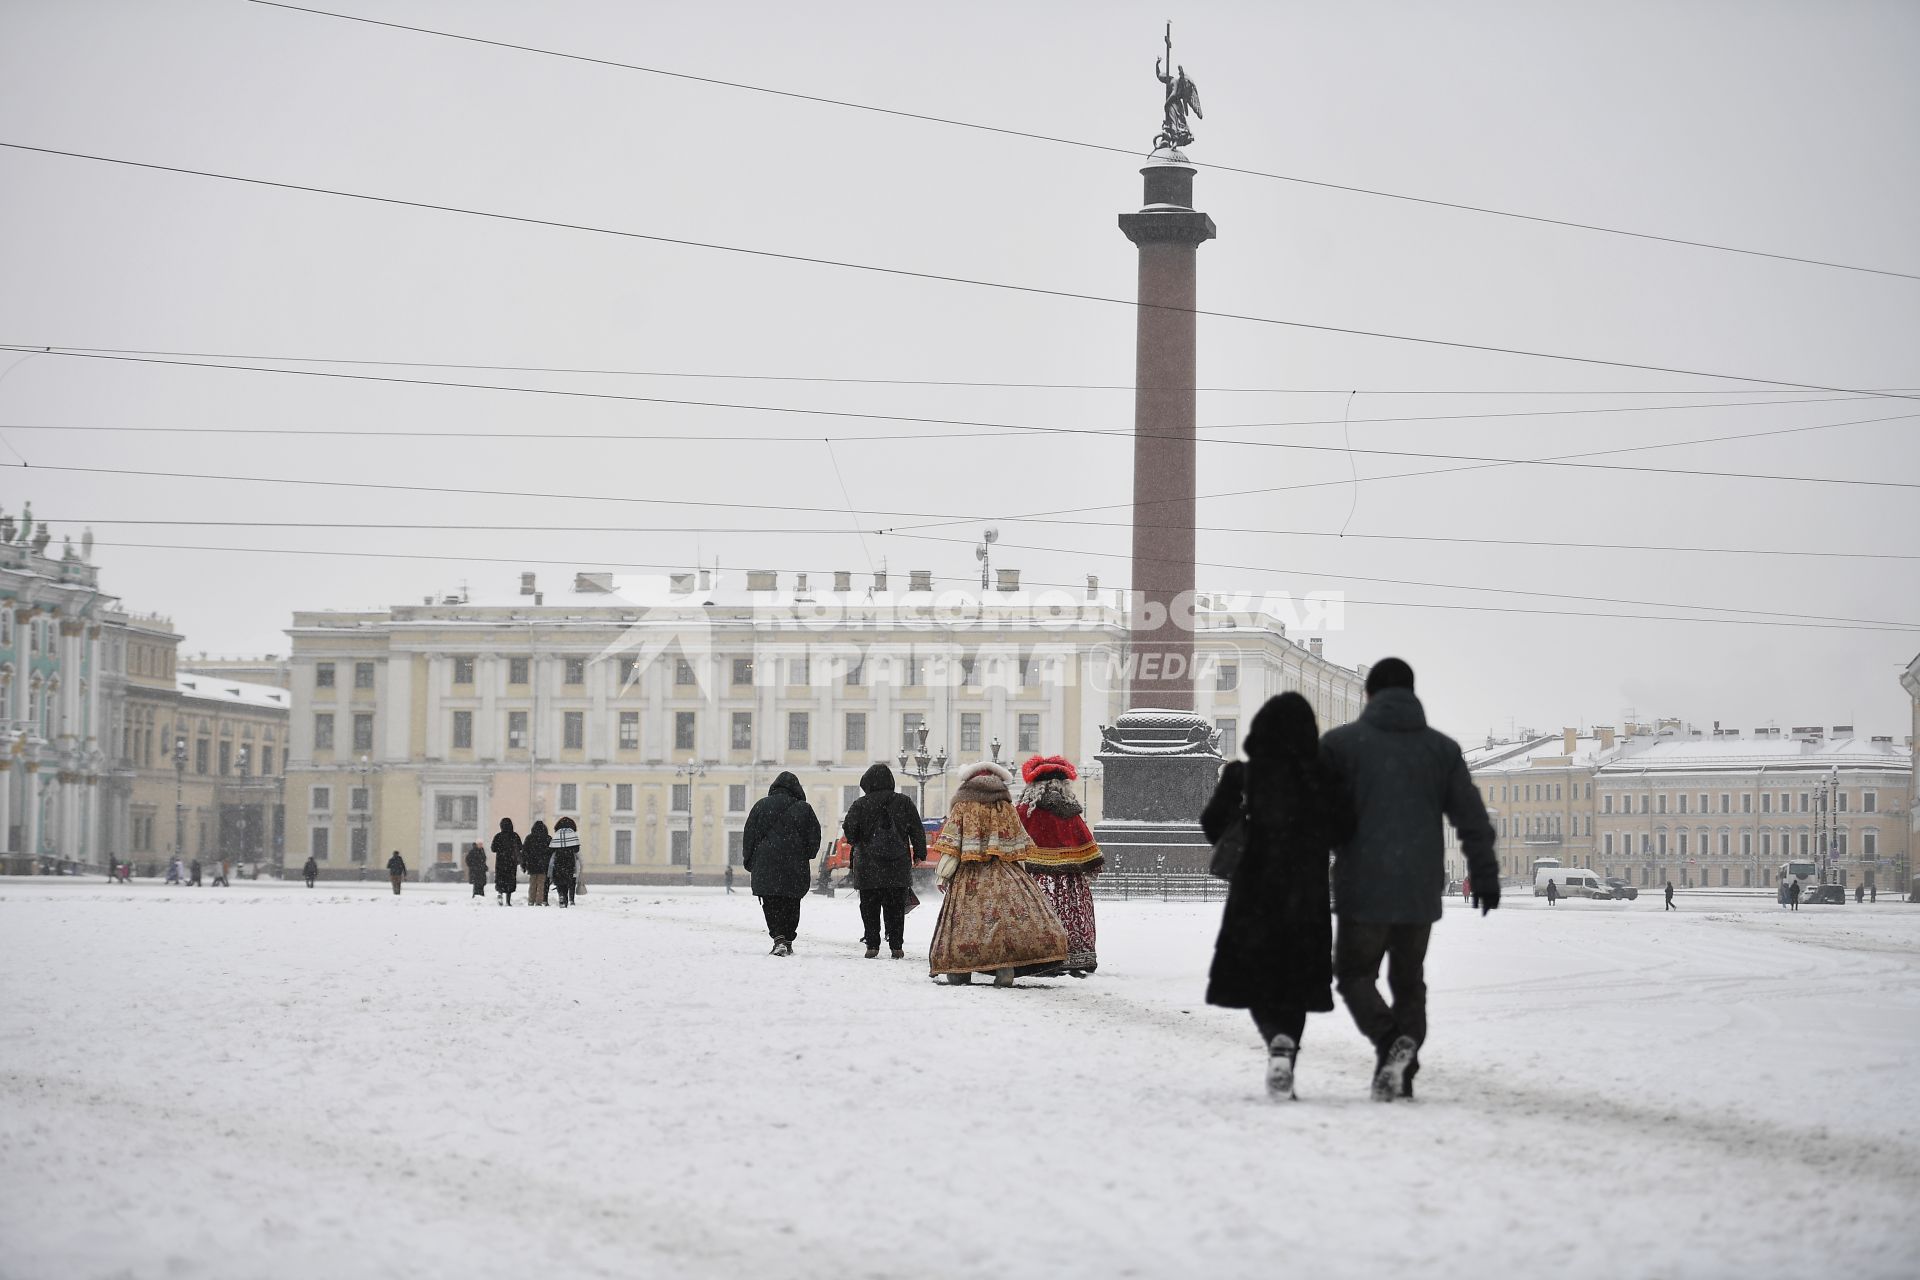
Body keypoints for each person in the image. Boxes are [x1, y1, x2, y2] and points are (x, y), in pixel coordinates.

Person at [1320, 657, 1497, 1103]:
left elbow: (1314, 817)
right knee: (1408, 981)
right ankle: (1402, 1066)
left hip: (1362, 885)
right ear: (1412, 694)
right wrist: (1483, 872)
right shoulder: (1441, 749)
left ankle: (1389, 1042)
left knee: (1354, 974)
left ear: (1369, 695)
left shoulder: (1341, 745)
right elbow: (1471, 818)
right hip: (1418, 887)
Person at [1201, 693, 1347, 1100]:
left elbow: (1212, 824)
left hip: (1254, 895)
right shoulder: (1322, 777)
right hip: (1307, 896)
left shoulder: (1242, 777)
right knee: (1296, 983)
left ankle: (1275, 1041)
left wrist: (1246, 828)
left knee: (1257, 979)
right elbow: (1344, 829)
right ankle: (1287, 1047)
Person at [927, 761, 1069, 987]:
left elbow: (953, 843)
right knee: (1005, 922)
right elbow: (1017, 844)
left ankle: (960, 969)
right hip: (1004, 871)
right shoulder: (1005, 806)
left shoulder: (963, 806)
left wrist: (943, 874)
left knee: (965, 922)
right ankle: (1005, 967)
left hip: (969, 873)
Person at [1015, 755, 1104, 977]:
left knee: (1037, 914)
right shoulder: (1070, 813)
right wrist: (1091, 865)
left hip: (1034, 878)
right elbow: (1086, 842)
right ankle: (1075, 955)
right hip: (1069, 879)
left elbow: (1011, 841)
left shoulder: (1025, 812)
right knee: (1072, 913)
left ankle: (1038, 957)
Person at [842, 763, 927, 960]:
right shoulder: (904, 802)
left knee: (869, 905)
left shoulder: (860, 804)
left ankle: (872, 945)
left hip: (868, 865)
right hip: (897, 864)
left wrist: (859, 837)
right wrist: (919, 853)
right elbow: (916, 828)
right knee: (896, 906)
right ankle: (896, 946)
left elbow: (850, 832)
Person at [742, 773, 821, 955]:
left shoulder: (761, 806)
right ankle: (788, 939)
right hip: (795, 864)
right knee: (792, 902)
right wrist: (807, 854)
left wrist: (750, 861)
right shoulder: (804, 808)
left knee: (770, 902)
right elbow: (814, 837)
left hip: (766, 864)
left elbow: (749, 836)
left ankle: (778, 938)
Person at [550, 817, 581, 907]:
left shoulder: (557, 834)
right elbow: (576, 849)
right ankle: (566, 899)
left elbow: (551, 848)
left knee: (559, 880)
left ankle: (561, 895)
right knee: (568, 879)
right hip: (569, 860)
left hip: (558, 859)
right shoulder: (572, 834)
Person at [491, 818, 522, 907]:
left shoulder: (498, 836)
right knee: (510, 880)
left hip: (501, 862)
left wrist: (501, 849)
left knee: (500, 879)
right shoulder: (515, 836)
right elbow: (520, 847)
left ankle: (500, 893)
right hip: (511, 863)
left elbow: (493, 849)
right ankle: (508, 901)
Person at [522, 820, 552, 905]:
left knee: (532, 884)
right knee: (541, 884)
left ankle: (531, 900)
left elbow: (524, 852)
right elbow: (551, 852)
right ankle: (539, 901)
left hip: (532, 864)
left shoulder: (529, 838)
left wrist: (524, 864)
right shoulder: (548, 838)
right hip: (543, 865)